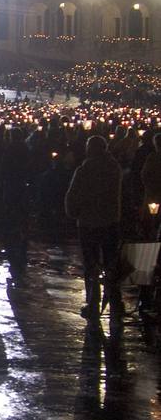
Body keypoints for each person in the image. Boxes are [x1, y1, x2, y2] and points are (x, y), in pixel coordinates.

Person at [64, 135, 123, 321]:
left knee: (91, 263)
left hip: (89, 222)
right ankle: (115, 299)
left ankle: (93, 301)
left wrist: (73, 212)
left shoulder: (85, 169)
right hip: (110, 220)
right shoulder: (114, 168)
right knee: (111, 261)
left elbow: (74, 195)